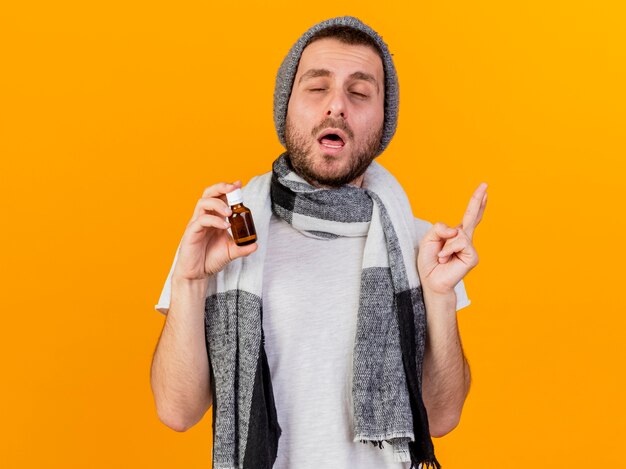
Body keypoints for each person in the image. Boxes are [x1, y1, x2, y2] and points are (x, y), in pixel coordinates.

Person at [151, 16, 487, 469]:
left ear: (383, 120)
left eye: (360, 92)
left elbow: (442, 417)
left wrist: (440, 296)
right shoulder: (225, 234)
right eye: (317, 88)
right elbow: (176, 410)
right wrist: (190, 279)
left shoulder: (421, 244)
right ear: (285, 107)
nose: (337, 106)